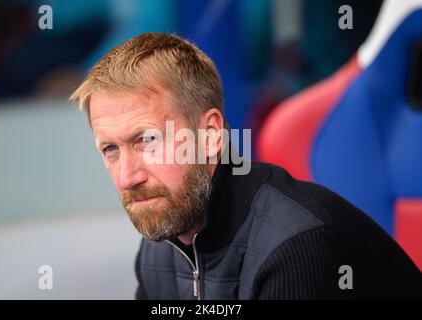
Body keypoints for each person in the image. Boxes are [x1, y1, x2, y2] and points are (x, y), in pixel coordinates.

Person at [70, 32, 421, 300]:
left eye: (147, 141)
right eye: (110, 149)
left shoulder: (294, 244)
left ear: (209, 136)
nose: (128, 177)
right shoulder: (159, 247)